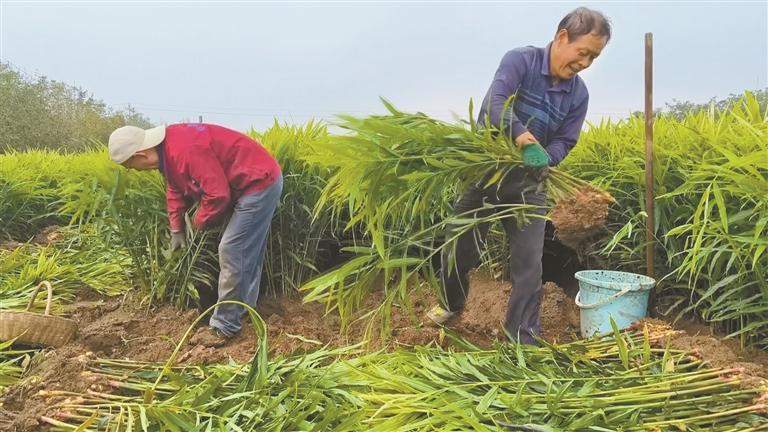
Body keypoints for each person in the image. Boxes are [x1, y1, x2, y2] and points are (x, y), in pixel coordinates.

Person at [426, 7, 611, 344]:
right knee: (458, 249)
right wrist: (524, 140)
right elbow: (495, 104)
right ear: (562, 37)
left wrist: (545, 158)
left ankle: (521, 337)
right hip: (487, 174)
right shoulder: (521, 61)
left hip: (529, 185)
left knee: (529, 265)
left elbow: (565, 140)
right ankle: (452, 304)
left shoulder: (578, 94)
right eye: (583, 52)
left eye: (593, 58)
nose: (585, 63)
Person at [108, 122, 283, 347]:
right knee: (242, 252)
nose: (135, 171)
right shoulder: (167, 151)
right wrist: (176, 229)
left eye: (130, 166)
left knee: (233, 249)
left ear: (140, 155)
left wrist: (198, 221)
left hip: (258, 183)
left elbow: (217, 195)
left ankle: (225, 326)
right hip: (243, 185)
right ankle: (244, 311)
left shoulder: (184, 149)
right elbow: (175, 188)